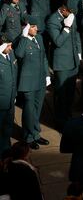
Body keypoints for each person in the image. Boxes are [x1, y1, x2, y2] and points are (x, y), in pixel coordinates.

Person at [15, 21, 50, 149]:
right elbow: (19, 54)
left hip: (40, 80)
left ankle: (35, 134)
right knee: (29, 111)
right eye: (33, 27)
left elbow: (44, 57)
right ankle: (27, 137)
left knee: (37, 109)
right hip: (28, 82)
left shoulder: (39, 38)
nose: (36, 29)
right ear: (26, 28)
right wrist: (24, 38)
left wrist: (47, 75)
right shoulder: (22, 41)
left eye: (36, 26)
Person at [47, 3, 81, 130]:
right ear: (63, 9)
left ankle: (68, 115)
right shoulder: (52, 21)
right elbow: (58, 41)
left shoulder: (71, 15)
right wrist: (66, 27)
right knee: (61, 93)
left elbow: (76, 34)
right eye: (69, 12)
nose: (72, 14)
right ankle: (60, 120)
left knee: (70, 91)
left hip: (73, 60)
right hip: (62, 62)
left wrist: (79, 52)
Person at [0, 35, 18, 155]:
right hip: (1, 102)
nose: (11, 48)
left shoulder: (10, 54)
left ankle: (6, 148)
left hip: (11, 99)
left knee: (8, 126)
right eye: (8, 46)